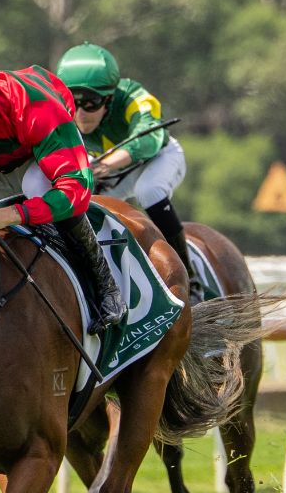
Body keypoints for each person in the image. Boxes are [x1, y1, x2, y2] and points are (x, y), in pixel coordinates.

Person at [0, 30, 126, 333]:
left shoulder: (34, 106)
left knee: (36, 187)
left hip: (36, 160)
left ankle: (104, 284)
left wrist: (10, 214)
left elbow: (76, 191)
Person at [55, 42, 200, 303]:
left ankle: (190, 278)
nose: (81, 114)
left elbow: (150, 139)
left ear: (110, 98)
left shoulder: (135, 97)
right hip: (110, 170)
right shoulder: (58, 109)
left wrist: (107, 165)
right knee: (89, 205)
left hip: (158, 158)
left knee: (149, 191)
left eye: (91, 103)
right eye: (73, 103)